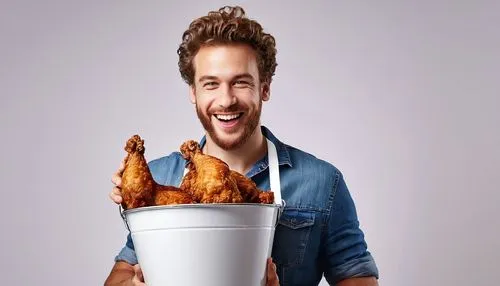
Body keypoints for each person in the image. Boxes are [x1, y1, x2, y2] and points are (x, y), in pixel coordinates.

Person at [104, 6, 379, 286]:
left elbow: (360, 280)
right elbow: (121, 275)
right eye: (211, 84)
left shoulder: (321, 183)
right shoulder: (160, 176)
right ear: (193, 93)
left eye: (241, 83)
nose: (226, 100)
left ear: (265, 88)